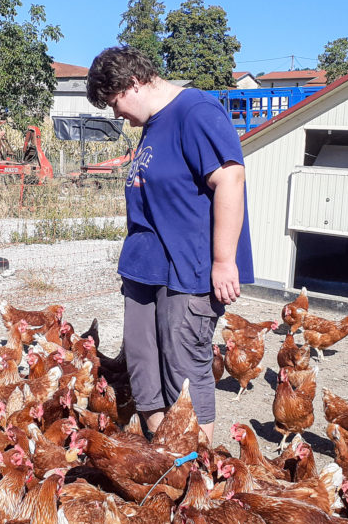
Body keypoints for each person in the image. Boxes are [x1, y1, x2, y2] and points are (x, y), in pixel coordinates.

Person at [86, 46, 254, 444]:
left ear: (133, 84)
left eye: (114, 103)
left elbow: (231, 180)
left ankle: (193, 467)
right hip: (146, 268)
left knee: (183, 370)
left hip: (188, 271)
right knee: (144, 370)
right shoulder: (153, 123)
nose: (117, 116)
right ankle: (164, 460)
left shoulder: (195, 112)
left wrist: (224, 260)